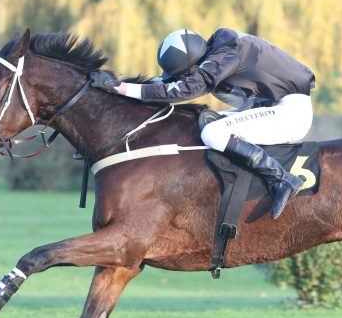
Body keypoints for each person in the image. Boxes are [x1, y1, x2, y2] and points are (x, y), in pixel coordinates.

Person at [90, 28, 316, 219]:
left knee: (213, 133)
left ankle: (282, 179)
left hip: (290, 113)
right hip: (273, 108)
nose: (188, 75)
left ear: (193, 62)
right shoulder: (217, 52)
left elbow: (186, 89)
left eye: (187, 71)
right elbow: (171, 82)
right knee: (203, 124)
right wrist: (117, 85)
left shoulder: (227, 55)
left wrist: (120, 88)